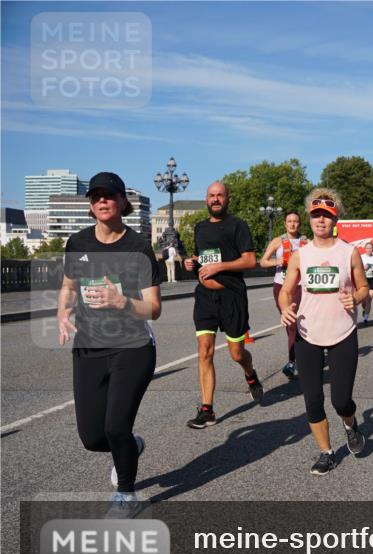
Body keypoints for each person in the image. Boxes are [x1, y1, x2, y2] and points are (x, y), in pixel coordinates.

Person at [57, 172, 162, 518]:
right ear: (90, 204)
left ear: (122, 202)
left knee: (116, 426)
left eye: (109, 195)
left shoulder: (137, 247)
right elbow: (69, 286)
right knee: (92, 437)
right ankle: (130, 448)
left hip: (132, 347)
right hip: (89, 348)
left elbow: (154, 308)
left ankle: (126, 496)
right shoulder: (78, 243)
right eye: (95, 196)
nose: (102, 201)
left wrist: (122, 302)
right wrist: (62, 314)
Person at [279, 190, 368, 474]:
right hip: (307, 333)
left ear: (335, 219)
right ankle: (326, 452)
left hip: (343, 332)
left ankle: (350, 424)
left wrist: (355, 298)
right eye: (316, 215)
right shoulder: (300, 255)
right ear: (309, 218)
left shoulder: (349, 252)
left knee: (341, 399)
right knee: (313, 399)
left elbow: (365, 288)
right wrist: (284, 309)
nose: (321, 220)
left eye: (326, 216)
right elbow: (285, 291)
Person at [182, 182, 264, 429]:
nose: (215, 199)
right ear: (206, 199)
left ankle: (250, 373)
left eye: (220, 195)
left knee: (236, 353)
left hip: (232, 297)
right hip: (205, 299)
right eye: (211, 196)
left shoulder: (237, 225)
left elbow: (250, 260)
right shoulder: (200, 227)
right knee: (204, 350)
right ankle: (207, 409)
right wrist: (192, 262)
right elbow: (202, 257)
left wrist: (220, 267)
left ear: (228, 198)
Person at [260, 211, 307, 379]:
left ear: (299, 223)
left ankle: (292, 361)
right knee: (289, 324)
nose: (292, 224)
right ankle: (300, 351)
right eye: (289, 221)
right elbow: (262, 261)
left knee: (293, 322)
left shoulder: (306, 242)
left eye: (296, 221)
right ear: (285, 223)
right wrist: (276, 261)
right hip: (280, 285)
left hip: (300, 285)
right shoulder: (278, 241)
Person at [360, 242, 373, 324]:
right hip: (363, 279)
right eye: (367, 248)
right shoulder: (361, 257)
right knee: (363, 300)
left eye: (370, 248)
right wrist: (363, 268)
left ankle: (366, 317)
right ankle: (364, 309)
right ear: (365, 249)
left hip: (372, 279)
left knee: (369, 298)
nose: (369, 250)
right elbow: (357, 269)